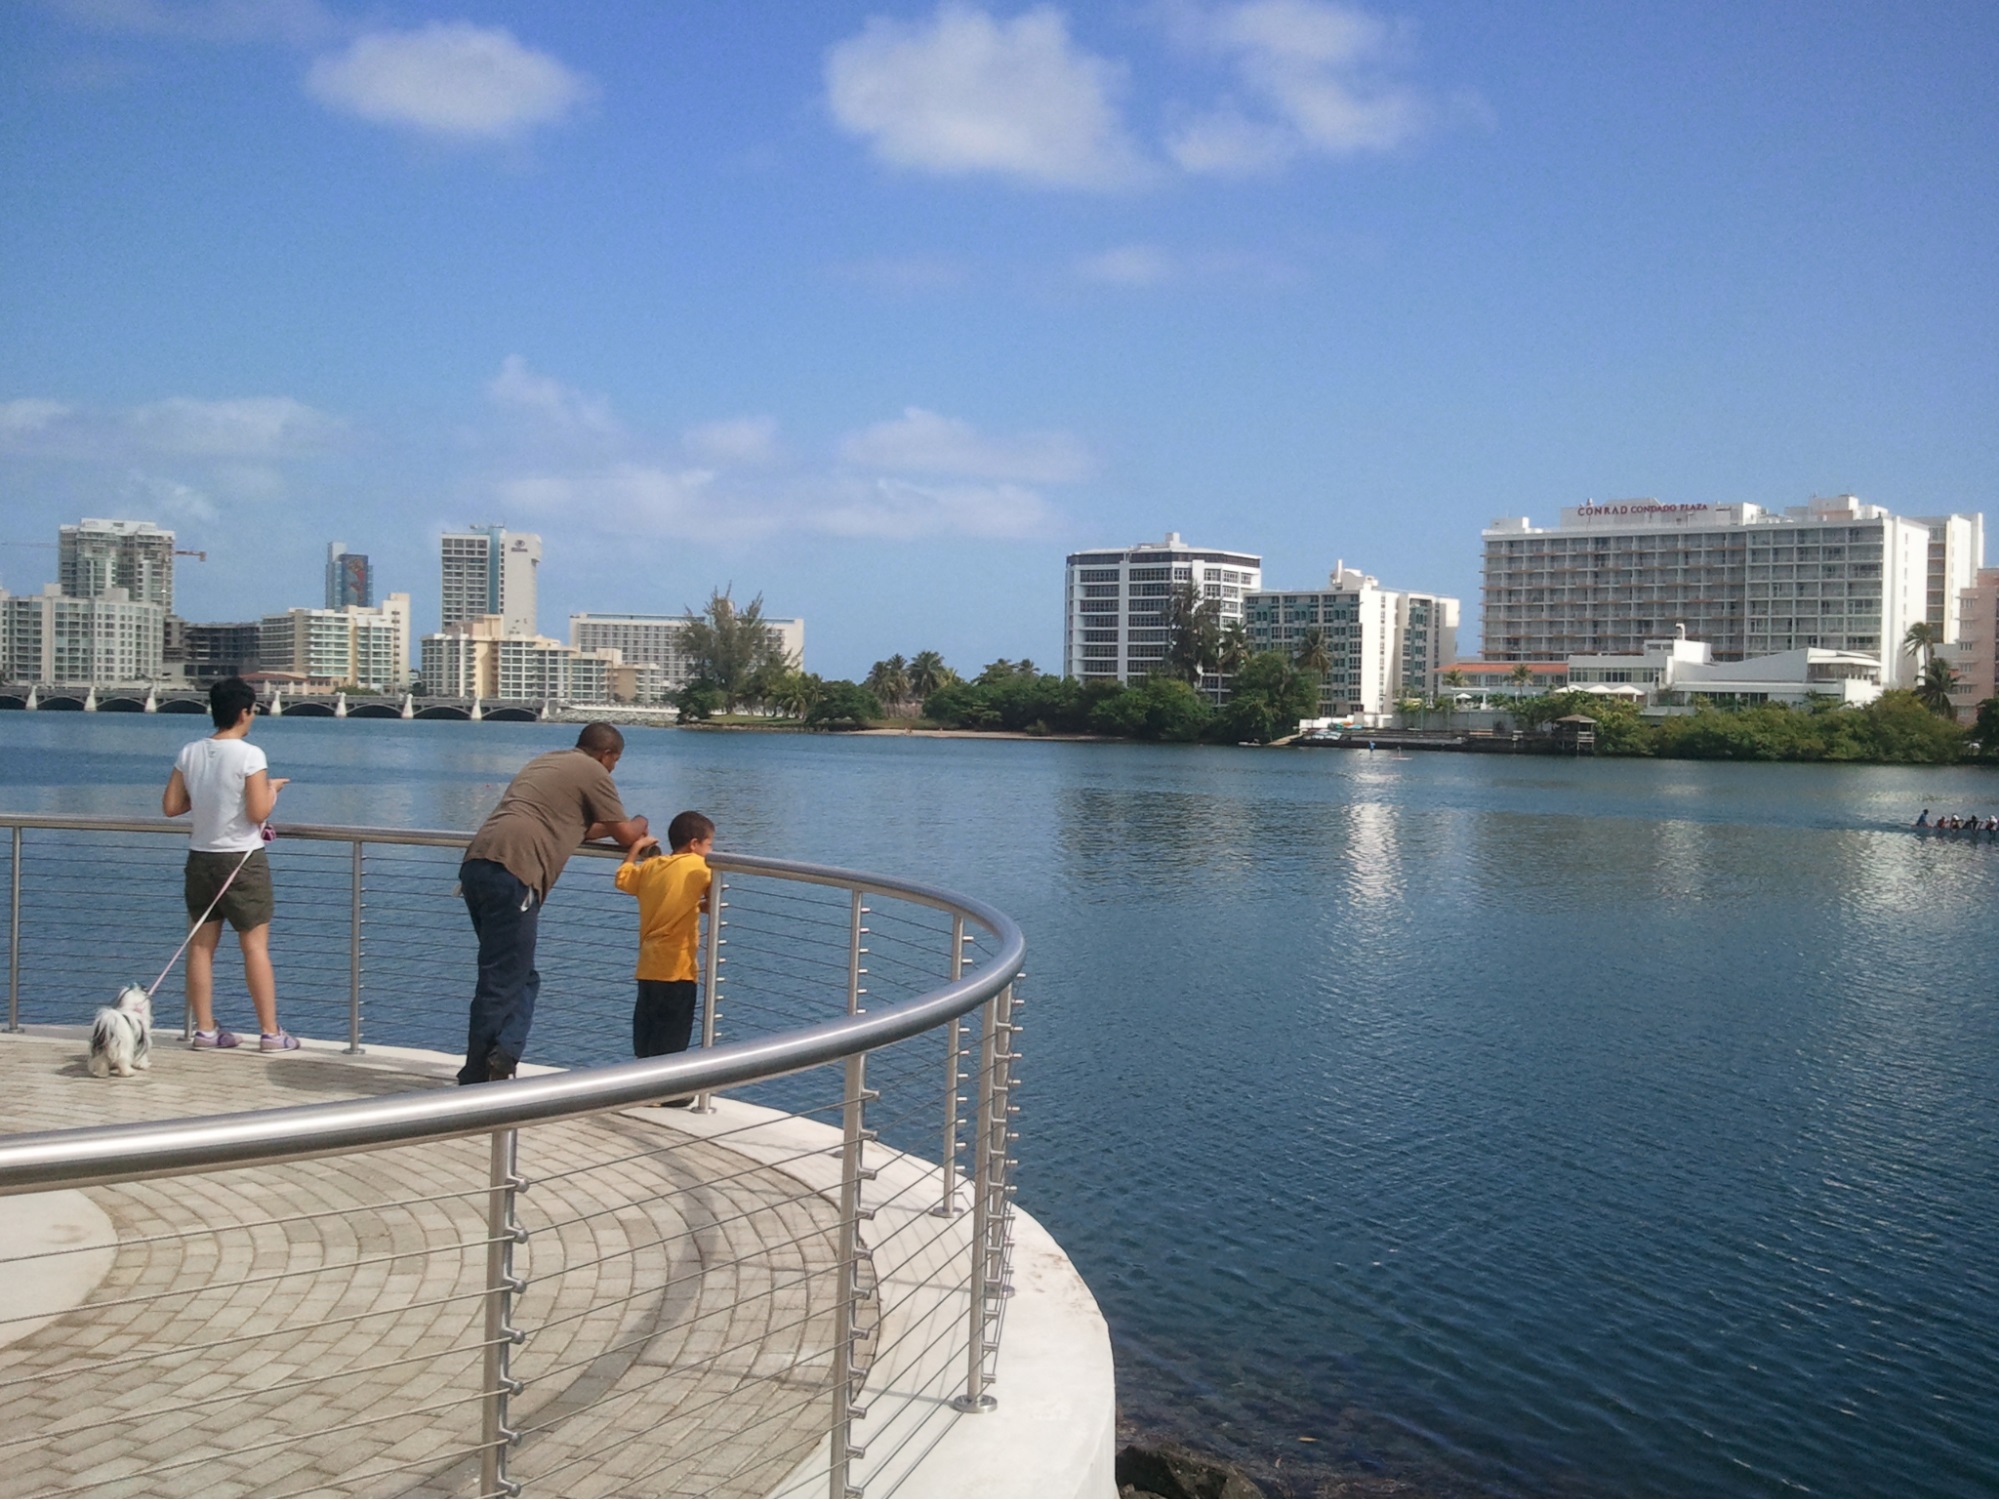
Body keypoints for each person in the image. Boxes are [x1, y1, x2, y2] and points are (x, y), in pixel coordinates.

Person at [457, 722, 648, 1084]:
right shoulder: (594, 771)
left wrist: (615, 824)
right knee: (502, 979)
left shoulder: (547, 761)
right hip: (516, 871)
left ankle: (501, 1057)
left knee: (518, 976)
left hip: (478, 863)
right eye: (615, 761)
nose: (614, 769)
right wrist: (639, 822)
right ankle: (478, 1076)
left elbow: (577, 825)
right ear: (606, 754)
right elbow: (625, 834)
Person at [161, 676, 298, 1052]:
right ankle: (270, 1032)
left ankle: (204, 1030)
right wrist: (272, 790)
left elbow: (172, 806)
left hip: (201, 858)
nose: (253, 717)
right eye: (253, 711)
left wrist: (208, 799)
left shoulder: (190, 752)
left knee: (201, 947)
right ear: (243, 712)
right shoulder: (250, 754)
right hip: (242, 861)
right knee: (254, 947)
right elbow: (257, 812)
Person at [614, 811, 716, 1104]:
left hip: (648, 964)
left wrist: (635, 848)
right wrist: (704, 904)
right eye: (709, 845)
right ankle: (669, 1094)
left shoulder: (653, 866)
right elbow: (714, 890)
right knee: (674, 1029)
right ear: (695, 844)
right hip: (678, 966)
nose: (710, 852)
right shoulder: (699, 867)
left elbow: (623, 879)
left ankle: (641, 1086)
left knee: (647, 1022)